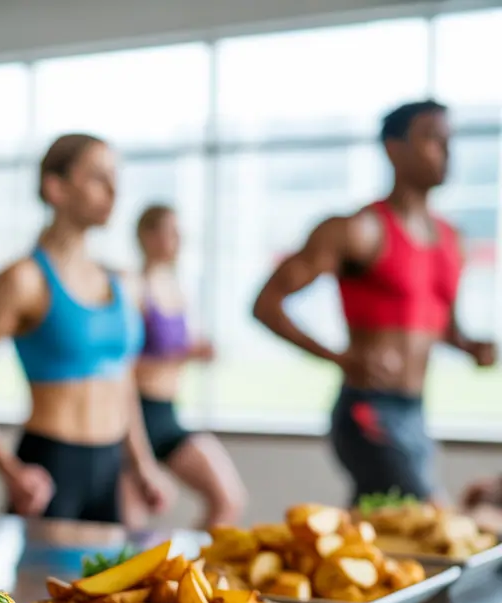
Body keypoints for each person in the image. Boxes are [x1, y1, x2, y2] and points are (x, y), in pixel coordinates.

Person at [253, 99, 497, 506]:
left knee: (380, 531)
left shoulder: (452, 240)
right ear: (393, 148)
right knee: (429, 518)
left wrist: (472, 346)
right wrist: (340, 358)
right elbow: (267, 305)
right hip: (367, 409)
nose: (447, 152)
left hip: (416, 412)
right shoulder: (358, 230)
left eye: (449, 141)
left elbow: (444, 327)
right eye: (432, 140)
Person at [0, 133, 172, 524]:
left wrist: (142, 465)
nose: (113, 190)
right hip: (52, 467)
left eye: (115, 177)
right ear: (54, 187)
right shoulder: (22, 281)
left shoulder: (121, 283)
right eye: (96, 177)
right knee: (36, 588)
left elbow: (121, 381)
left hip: (111, 468)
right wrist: (10, 471)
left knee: (108, 586)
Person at [124, 205, 246, 529]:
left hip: (167, 414)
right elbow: (120, 367)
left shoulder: (176, 288)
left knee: (228, 500)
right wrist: (181, 356)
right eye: (170, 232)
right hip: (135, 414)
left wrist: (197, 353)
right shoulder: (134, 287)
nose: (178, 241)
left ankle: (184, 572)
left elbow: (180, 350)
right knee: (128, 533)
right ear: (147, 236)